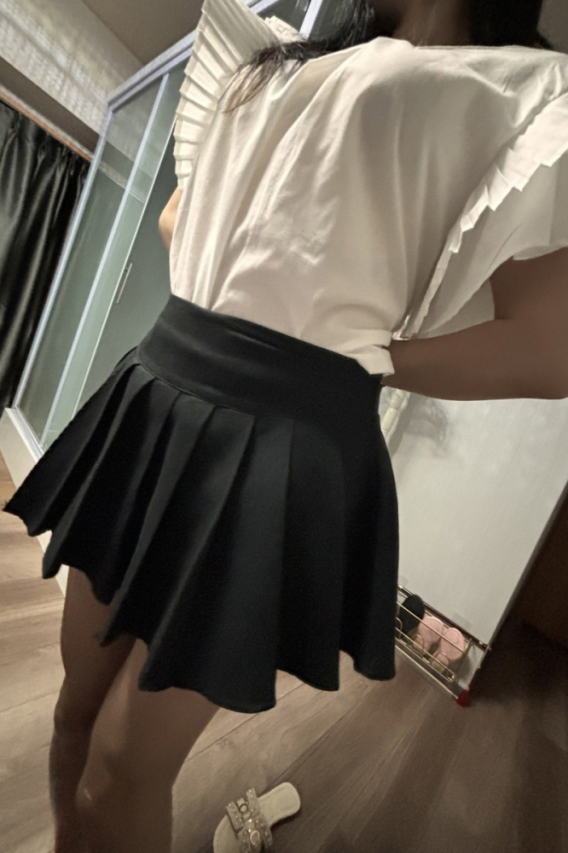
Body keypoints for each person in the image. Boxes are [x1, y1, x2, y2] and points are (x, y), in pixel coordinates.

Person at [3, 0, 568, 851]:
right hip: (157, 391)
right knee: (74, 708)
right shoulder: (277, 56)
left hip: (278, 442)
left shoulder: (527, 93)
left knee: (122, 763)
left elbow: (548, 350)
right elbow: (177, 215)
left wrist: (357, 357)